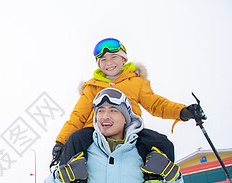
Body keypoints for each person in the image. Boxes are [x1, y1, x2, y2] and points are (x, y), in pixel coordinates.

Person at [51, 37, 204, 167]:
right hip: (97, 130)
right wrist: (61, 142)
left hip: (130, 130)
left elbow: (156, 104)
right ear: (99, 64)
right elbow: (78, 116)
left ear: (124, 59)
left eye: (114, 57)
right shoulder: (93, 87)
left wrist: (182, 111)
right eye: (103, 60)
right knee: (76, 140)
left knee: (162, 143)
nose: (108, 62)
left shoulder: (136, 82)